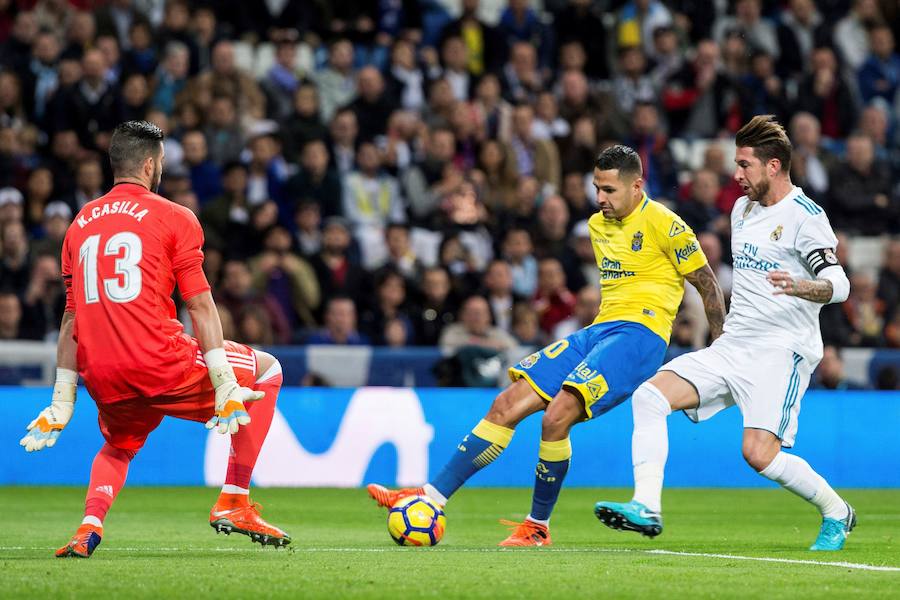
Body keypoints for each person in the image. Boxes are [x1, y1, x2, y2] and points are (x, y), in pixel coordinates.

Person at [366, 145, 725, 546]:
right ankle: (430, 497)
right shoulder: (596, 225)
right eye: (596, 188)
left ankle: (538, 526)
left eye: (609, 190)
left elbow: (707, 282)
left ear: (637, 186)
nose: (600, 198)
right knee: (506, 403)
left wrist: (721, 347)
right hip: (599, 331)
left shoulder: (666, 223)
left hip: (640, 336)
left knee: (557, 416)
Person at [18, 121, 290, 558]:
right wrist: (223, 382)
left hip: (102, 374)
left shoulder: (80, 224)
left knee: (119, 445)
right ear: (149, 164)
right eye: (161, 161)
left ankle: (88, 528)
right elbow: (200, 306)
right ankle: (234, 501)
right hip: (161, 363)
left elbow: (71, 320)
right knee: (269, 369)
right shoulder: (175, 216)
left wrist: (62, 398)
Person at [595, 115, 855, 552]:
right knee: (650, 396)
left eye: (745, 164)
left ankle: (837, 512)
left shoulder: (805, 217)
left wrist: (802, 285)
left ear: (773, 166)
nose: (736, 175)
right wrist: (720, 330)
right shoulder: (742, 208)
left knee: (758, 455)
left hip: (782, 350)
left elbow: (841, 285)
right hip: (735, 343)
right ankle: (647, 507)